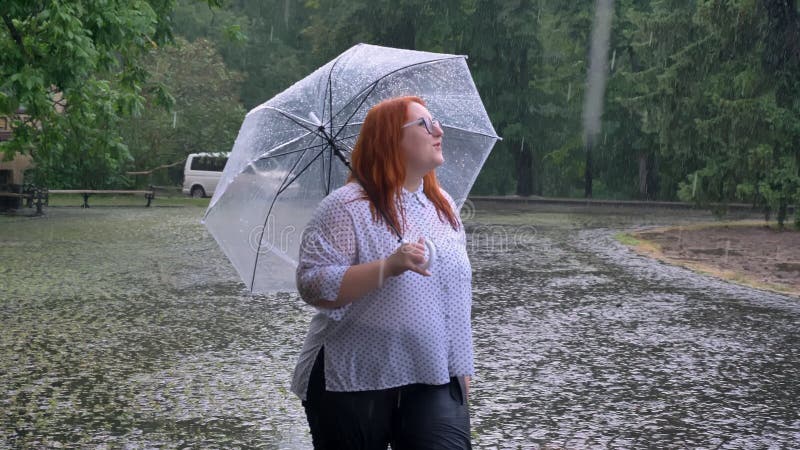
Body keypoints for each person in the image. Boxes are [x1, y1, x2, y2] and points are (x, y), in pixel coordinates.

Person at [291, 95, 474, 449]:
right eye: (423, 123)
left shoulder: (443, 206)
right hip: (352, 376)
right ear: (391, 139)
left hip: (432, 370)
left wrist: (459, 365)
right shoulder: (345, 207)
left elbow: (455, 296)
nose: (438, 129)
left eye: (434, 121)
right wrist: (386, 268)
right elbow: (312, 284)